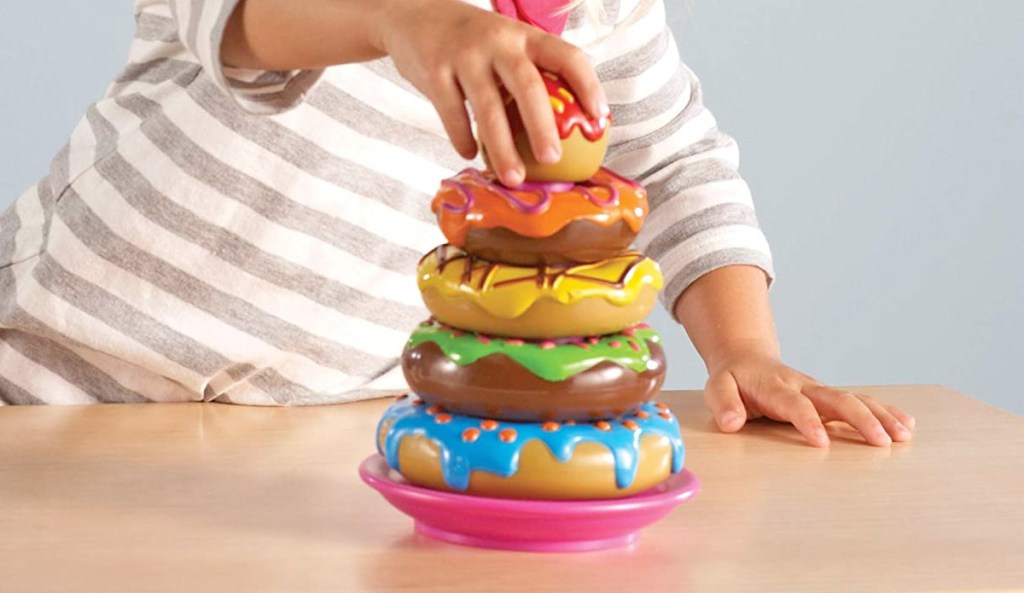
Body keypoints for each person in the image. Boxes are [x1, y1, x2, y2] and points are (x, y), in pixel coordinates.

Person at [0, 0, 914, 447]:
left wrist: (743, 351)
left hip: (307, 428)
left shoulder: (601, 11)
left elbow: (675, 166)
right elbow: (241, 17)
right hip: (47, 373)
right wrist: (409, 19)